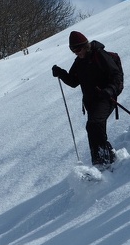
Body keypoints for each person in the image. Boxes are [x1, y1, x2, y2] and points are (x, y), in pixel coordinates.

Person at [52, 31, 122, 169]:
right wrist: (60, 73)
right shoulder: (79, 62)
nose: (76, 53)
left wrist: (109, 90)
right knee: (93, 128)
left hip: (106, 98)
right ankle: (100, 161)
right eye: (73, 51)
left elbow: (116, 75)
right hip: (91, 102)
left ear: (85, 46)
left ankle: (105, 160)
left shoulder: (99, 55)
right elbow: (73, 81)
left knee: (94, 125)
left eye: (78, 49)